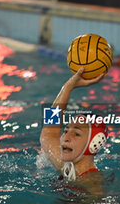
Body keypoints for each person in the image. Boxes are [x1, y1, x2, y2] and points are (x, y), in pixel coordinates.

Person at [40, 67, 109, 196]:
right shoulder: (65, 166)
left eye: (76, 133)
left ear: (93, 143)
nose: (66, 137)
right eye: (66, 130)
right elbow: (49, 133)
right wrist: (68, 86)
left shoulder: (93, 185)